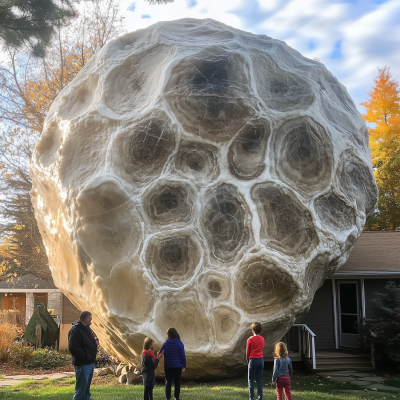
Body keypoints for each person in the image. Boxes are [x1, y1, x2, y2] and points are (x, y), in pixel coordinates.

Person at [68, 311, 99, 400]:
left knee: (86, 389)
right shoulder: (76, 329)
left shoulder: (87, 328)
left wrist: (95, 342)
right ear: (85, 319)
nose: (91, 320)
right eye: (90, 318)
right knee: (81, 390)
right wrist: (86, 356)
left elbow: (89, 341)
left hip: (89, 363)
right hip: (82, 364)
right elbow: (73, 347)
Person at [160, 328, 186, 400]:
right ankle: (176, 397)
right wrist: (184, 365)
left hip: (168, 366)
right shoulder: (179, 343)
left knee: (168, 382)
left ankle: (168, 398)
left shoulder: (165, 343)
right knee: (177, 382)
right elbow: (182, 355)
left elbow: (160, 352)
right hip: (177, 366)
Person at [246, 322, 265, 400]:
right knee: (259, 380)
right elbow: (262, 348)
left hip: (253, 359)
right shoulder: (262, 339)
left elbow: (248, 352)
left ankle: (251, 398)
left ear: (253, 330)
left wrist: (248, 361)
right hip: (261, 360)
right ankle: (260, 397)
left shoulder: (250, 339)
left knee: (251, 380)